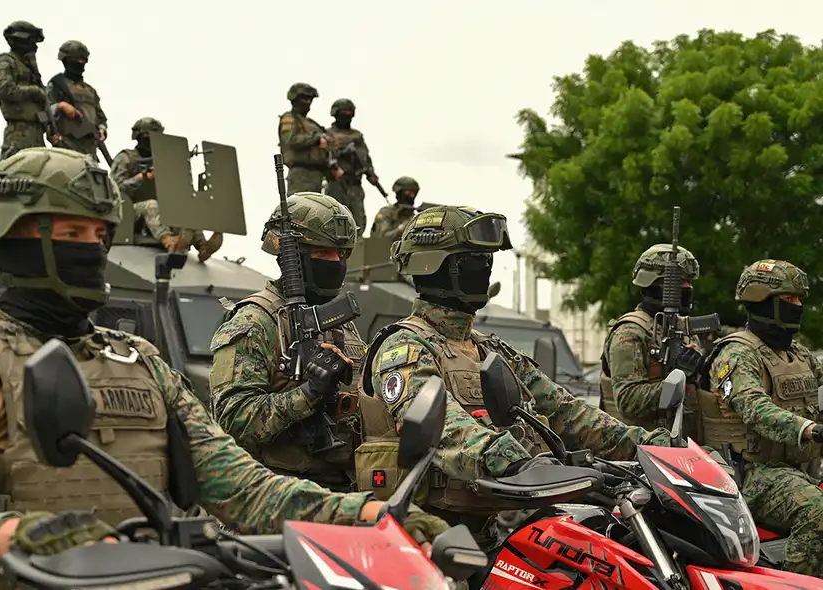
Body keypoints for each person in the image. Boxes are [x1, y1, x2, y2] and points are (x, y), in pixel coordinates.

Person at [0, 149, 448, 590]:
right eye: (70, 233)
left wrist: (368, 516)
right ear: (10, 237)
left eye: (98, 235)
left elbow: (243, 489)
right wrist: (22, 539)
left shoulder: (137, 360)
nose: (90, 247)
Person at [356, 206, 669, 549]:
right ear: (434, 265)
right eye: (475, 259)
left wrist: (651, 447)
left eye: (488, 259)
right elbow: (445, 428)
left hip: (488, 533)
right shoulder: (404, 347)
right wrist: (513, 459)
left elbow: (569, 412)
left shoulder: (490, 349)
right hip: (427, 544)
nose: (486, 268)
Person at [209, 193, 364, 491]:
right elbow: (231, 421)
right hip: (275, 495)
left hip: (342, 492)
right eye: (322, 254)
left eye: (341, 254)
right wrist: (307, 394)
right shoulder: (256, 321)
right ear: (295, 257)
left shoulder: (340, 323)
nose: (334, 263)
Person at [698, 259, 823, 577]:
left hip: (797, 469)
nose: (799, 306)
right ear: (764, 301)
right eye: (790, 299)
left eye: (800, 299)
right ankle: (798, 582)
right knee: (818, 511)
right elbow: (754, 407)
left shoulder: (796, 352)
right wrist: (808, 428)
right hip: (753, 474)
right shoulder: (737, 353)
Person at [600, 244, 701, 433]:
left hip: (684, 444)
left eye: (689, 282)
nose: (688, 288)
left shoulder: (684, 330)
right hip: (642, 448)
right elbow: (628, 401)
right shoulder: (629, 333)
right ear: (654, 284)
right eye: (679, 282)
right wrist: (678, 378)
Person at [110, 118, 222, 261]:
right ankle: (168, 239)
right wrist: (142, 177)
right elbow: (114, 190)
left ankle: (202, 246)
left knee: (185, 207)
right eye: (147, 137)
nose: (151, 140)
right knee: (151, 205)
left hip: (159, 211)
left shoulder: (163, 159)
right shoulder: (126, 158)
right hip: (128, 212)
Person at [0, 20, 54, 161]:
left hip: (37, 134)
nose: (34, 46)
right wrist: (34, 91)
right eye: (31, 41)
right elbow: (5, 89)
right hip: (18, 133)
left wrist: (50, 127)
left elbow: (41, 104)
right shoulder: (6, 61)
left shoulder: (31, 68)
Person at [324, 99, 379, 235]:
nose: (346, 116)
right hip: (336, 183)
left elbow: (365, 158)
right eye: (343, 113)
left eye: (349, 113)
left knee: (358, 220)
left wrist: (371, 174)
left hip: (355, 183)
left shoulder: (357, 136)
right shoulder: (328, 134)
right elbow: (324, 157)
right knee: (335, 219)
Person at [46, 41, 108, 160]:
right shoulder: (57, 85)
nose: (80, 64)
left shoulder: (90, 91)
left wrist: (102, 129)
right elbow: (45, 111)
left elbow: (101, 117)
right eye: (76, 61)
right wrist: (60, 106)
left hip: (89, 148)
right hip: (66, 146)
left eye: (82, 61)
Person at [278, 83, 340, 195]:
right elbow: (291, 140)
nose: (307, 102)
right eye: (304, 99)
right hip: (300, 174)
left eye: (310, 99)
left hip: (318, 175)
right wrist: (316, 139)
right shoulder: (290, 118)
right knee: (300, 208)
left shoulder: (313, 124)